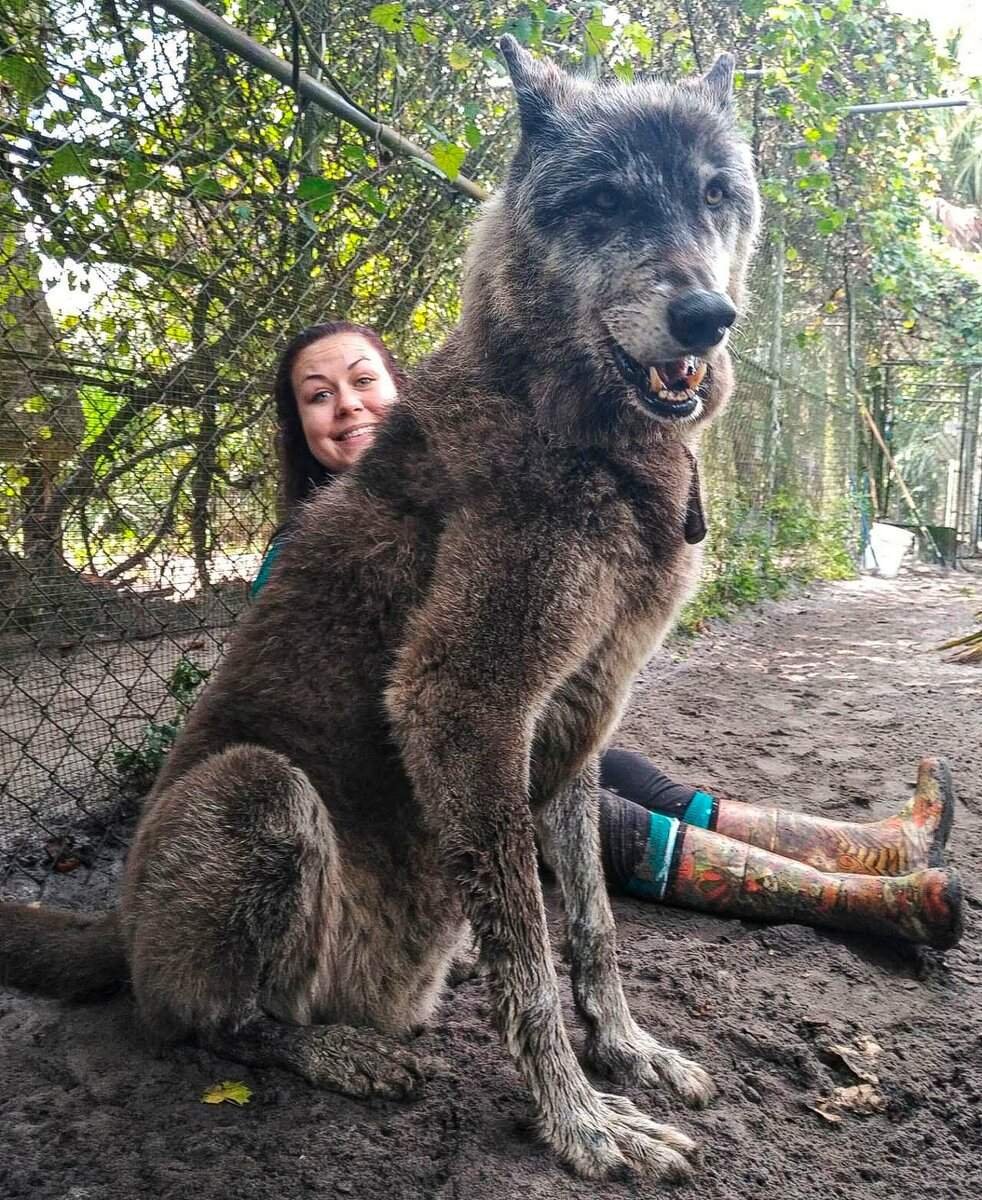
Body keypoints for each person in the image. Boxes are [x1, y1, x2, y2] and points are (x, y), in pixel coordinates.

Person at [251, 320, 962, 949]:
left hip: (484, 726)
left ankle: (868, 846)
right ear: (302, 427)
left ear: (401, 390)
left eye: (363, 381)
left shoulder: (458, 491)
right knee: (593, 809)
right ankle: (855, 900)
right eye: (319, 395)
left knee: (620, 767)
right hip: (402, 780)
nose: (347, 405)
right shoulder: (298, 555)